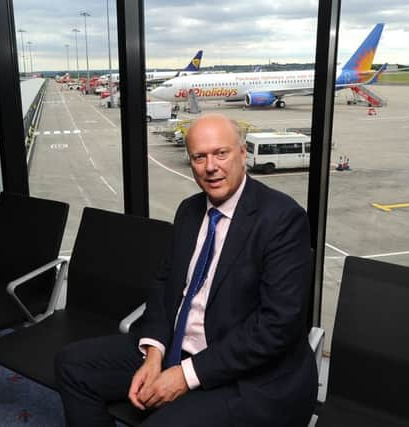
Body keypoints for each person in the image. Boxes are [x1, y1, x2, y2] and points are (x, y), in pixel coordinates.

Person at [55, 113, 318, 427]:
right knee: (72, 365)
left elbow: (277, 326)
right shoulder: (189, 211)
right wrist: (154, 352)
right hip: (178, 349)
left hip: (249, 377)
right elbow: (164, 286)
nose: (211, 166)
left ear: (243, 153)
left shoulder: (282, 219)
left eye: (221, 153)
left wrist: (185, 375)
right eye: (199, 157)